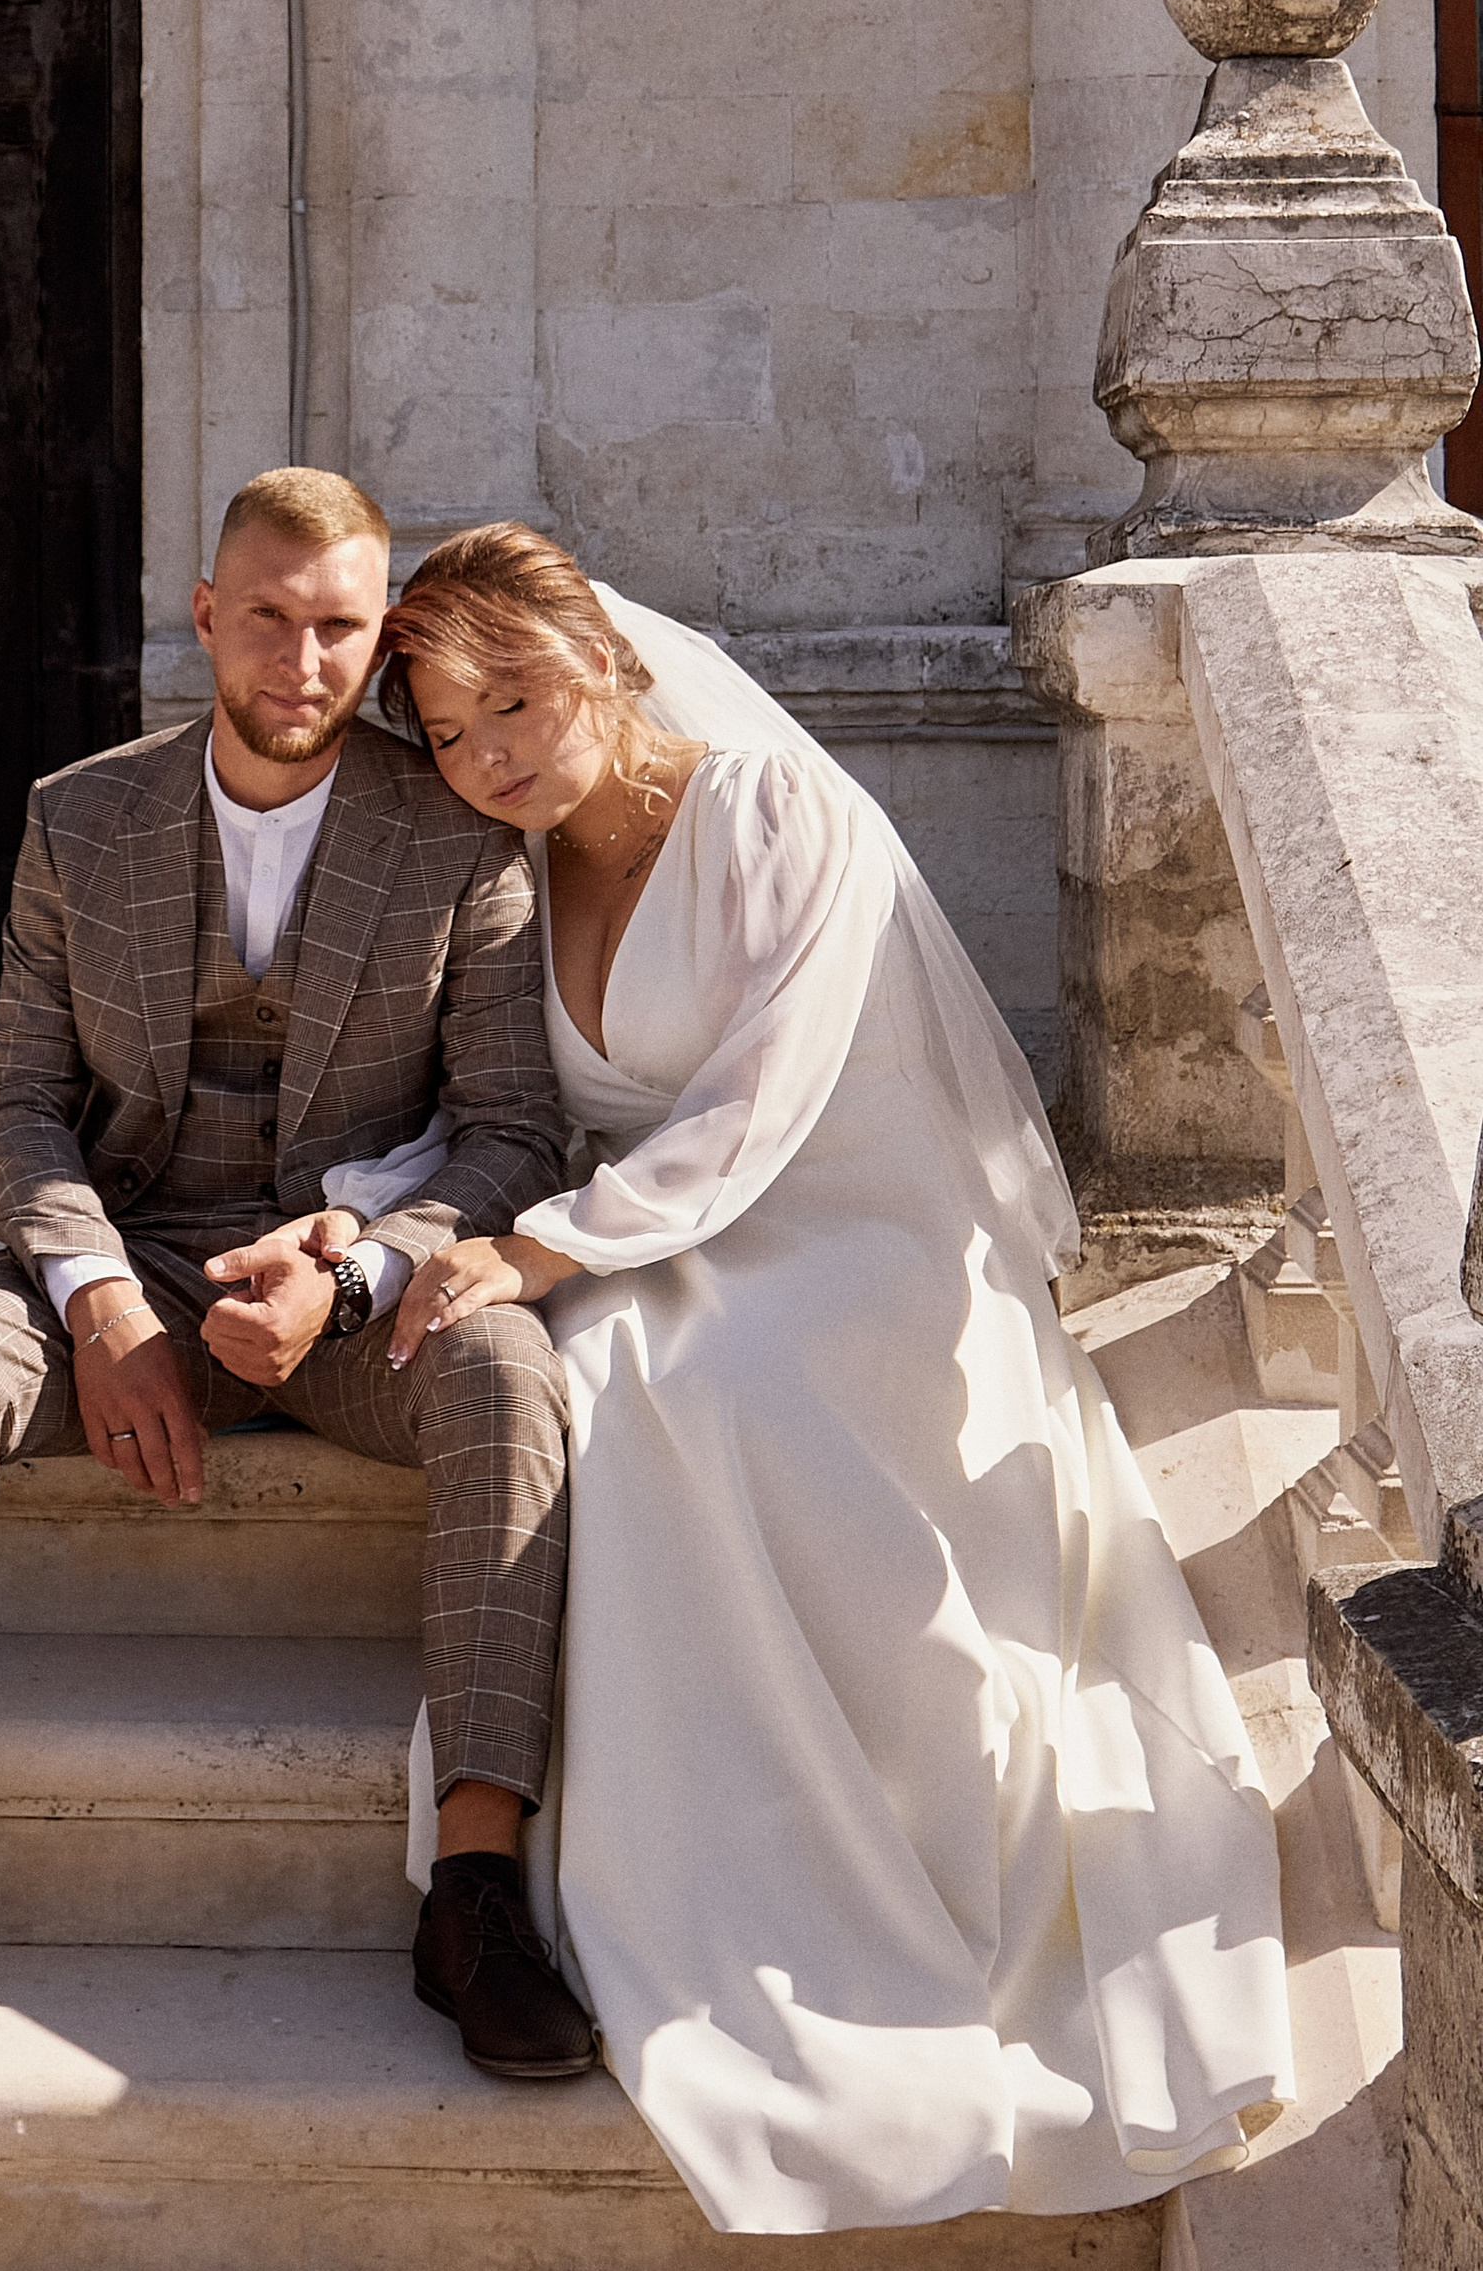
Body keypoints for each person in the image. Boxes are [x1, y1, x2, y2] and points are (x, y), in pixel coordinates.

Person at [365, 523, 1294, 2237]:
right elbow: (485, 1100)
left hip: (859, 1217)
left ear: (608, 662)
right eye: (447, 728)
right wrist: (369, 1229)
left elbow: (764, 1100)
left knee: (690, 1383)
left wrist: (547, 1250)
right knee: (604, 1376)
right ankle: (688, 1874)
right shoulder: (504, 866)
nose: (488, 753)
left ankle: (848, 1898)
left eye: (516, 700)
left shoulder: (774, 813)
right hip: (643, 1229)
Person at [0, 467, 596, 2077]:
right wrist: (101, 1303)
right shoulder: (79, 817)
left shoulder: (462, 834)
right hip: (135, 1255)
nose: (301, 662)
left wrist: (358, 1275)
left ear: (380, 636)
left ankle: (476, 1893)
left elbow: (513, 1131)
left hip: (350, 1289)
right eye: (269, 621)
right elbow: (17, 1101)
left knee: (514, 1375)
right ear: (207, 617)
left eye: (338, 629)